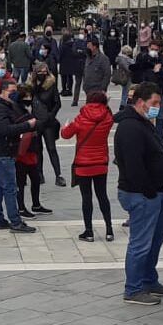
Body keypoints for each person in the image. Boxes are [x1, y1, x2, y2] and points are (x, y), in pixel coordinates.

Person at [116, 83, 163, 305]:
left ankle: (149, 279)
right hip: (141, 194)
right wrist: (148, 190)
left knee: (157, 238)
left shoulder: (143, 122)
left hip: (155, 192)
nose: (158, 107)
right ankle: (133, 288)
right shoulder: (130, 126)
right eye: (155, 103)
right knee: (140, 243)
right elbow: (132, 164)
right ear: (141, 103)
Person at [0, 76, 39, 233]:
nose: (16, 94)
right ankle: (15, 222)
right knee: (9, 187)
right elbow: (5, 130)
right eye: (12, 91)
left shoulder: (5, 106)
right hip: (1, 153)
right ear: (3, 92)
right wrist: (27, 125)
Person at [62, 91, 115, 242]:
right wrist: (106, 105)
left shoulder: (81, 118)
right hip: (101, 162)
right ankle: (109, 230)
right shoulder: (106, 118)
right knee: (102, 196)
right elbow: (111, 117)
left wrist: (65, 126)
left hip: (83, 164)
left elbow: (65, 134)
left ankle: (89, 231)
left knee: (87, 198)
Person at [13, 85, 48, 217]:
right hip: (23, 149)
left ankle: (36, 204)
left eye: (30, 96)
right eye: (26, 96)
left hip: (33, 148)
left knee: (35, 178)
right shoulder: (17, 109)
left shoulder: (32, 107)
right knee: (21, 181)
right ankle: (21, 207)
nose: (29, 98)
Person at [29, 61, 65, 185]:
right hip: (36, 121)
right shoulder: (32, 86)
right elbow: (27, 101)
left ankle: (58, 175)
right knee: (37, 149)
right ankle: (39, 174)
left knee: (51, 148)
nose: (43, 74)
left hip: (48, 122)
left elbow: (57, 103)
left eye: (45, 72)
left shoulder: (51, 85)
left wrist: (51, 115)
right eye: (40, 72)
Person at [81, 37, 111, 101]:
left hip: (98, 91)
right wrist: (85, 85)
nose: (87, 48)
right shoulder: (88, 58)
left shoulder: (103, 59)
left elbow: (107, 74)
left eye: (89, 46)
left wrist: (103, 89)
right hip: (88, 90)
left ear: (95, 47)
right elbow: (85, 72)